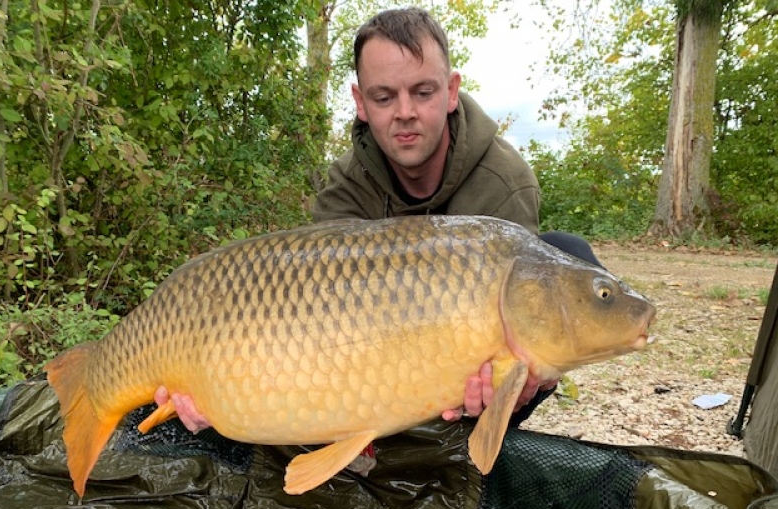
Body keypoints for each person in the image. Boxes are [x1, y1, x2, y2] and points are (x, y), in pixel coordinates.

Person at [156, 7, 600, 433]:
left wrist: (516, 385)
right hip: (363, 357)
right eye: (384, 97)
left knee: (568, 256)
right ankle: (363, 440)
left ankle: (465, 435)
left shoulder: (503, 180)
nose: (404, 111)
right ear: (361, 102)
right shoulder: (348, 183)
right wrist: (219, 389)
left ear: (450, 91)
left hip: (461, 361)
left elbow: (518, 330)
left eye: (423, 92)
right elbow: (311, 316)